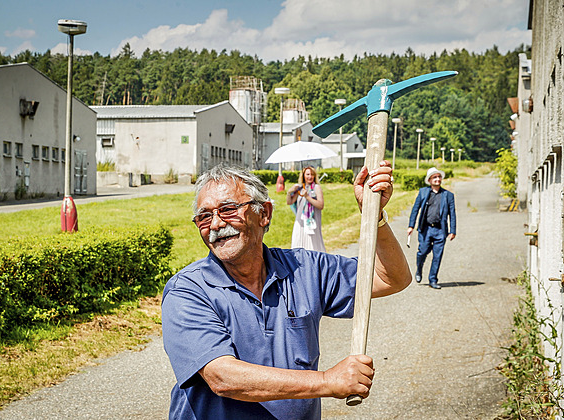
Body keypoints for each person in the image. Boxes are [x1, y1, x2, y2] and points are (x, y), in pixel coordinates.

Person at [161, 162, 411, 420]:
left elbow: (390, 278)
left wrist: (374, 217)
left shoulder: (304, 269)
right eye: (204, 216)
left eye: (227, 209)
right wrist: (327, 381)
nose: (215, 225)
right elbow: (223, 377)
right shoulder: (187, 291)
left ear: (264, 214)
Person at [407, 167, 457, 289]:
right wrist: (411, 225)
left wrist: (453, 231)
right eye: (434, 177)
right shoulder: (423, 192)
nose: (437, 179)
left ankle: (433, 280)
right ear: (429, 180)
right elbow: (415, 209)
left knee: (437, 256)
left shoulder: (448, 195)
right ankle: (419, 269)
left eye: (439, 177)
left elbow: (452, 213)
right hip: (426, 229)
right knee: (422, 252)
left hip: (440, 230)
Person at [286, 166, 325, 252]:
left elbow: (320, 205)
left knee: (312, 246)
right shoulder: (300, 188)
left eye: (312, 174)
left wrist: (307, 197)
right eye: (307, 174)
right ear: (303, 176)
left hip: (311, 222)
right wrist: (289, 192)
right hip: (300, 222)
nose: (310, 177)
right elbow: (290, 202)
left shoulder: (316, 187)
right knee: (299, 242)